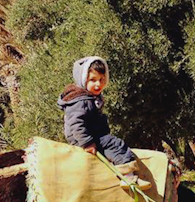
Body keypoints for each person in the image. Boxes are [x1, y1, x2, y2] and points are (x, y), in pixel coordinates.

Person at [57, 56, 151, 190]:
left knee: (109, 146)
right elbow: (76, 123)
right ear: (83, 79)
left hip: (91, 135)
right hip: (85, 137)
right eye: (93, 80)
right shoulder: (81, 100)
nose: (98, 84)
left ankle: (117, 167)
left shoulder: (89, 98)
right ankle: (128, 176)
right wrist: (87, 143)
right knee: (116, 144)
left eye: (101, 79)